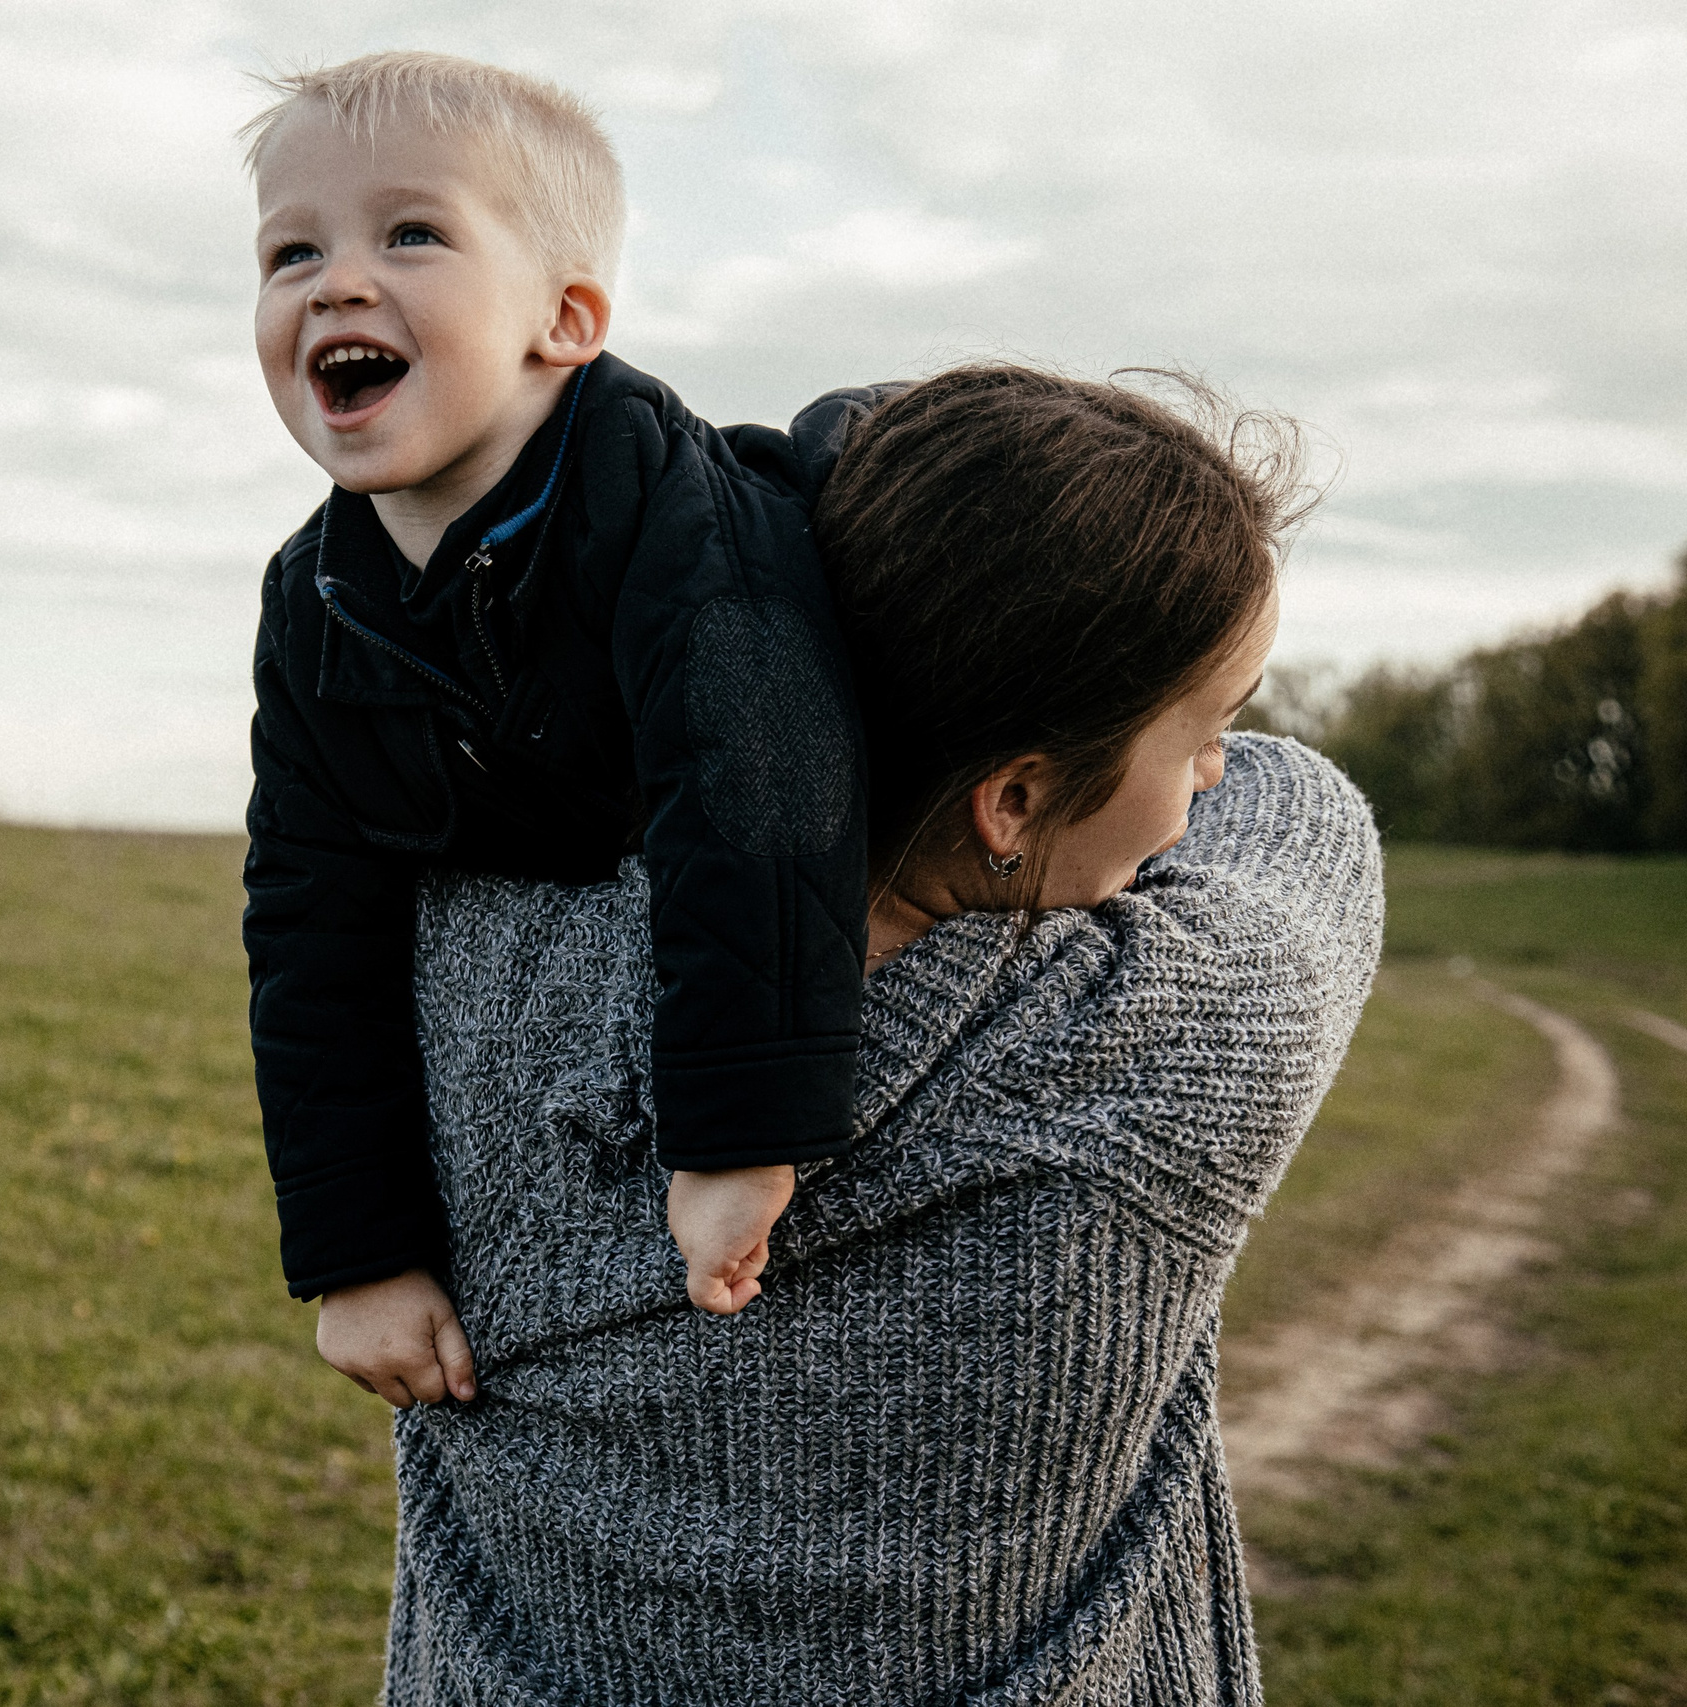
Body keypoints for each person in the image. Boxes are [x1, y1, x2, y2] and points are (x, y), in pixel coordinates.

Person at [384, 367, 1383, 1703]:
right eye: (1205, 728)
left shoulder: (490, 951)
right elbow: (1297, 803)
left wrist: (763, 632)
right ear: (1012, 801)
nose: (1214, 769)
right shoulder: (1171, 1041)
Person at [238, 51, 872, 1407]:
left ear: (567, 318)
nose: (336, 284)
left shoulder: (677, 513)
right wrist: (359, 1255)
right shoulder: (316, 599)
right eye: (293, 252)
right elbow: (309, 921)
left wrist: (737, 1135)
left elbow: (760, 789)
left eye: (411, 234)